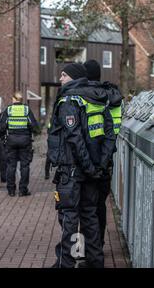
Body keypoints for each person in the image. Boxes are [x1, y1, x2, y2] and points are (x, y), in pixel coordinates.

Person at [48, 63, 113, 268]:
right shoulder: (98, 98)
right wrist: (99, 165)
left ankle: (65, 265)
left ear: (74, 77)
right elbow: (110, 135)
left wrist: (88, 166)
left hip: (73, 170)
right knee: (90, 218)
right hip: (93, 170)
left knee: (69, 218)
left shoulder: (69, 100)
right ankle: (95, 263)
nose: (60, 79)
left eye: (64, 75)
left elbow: (74, 138)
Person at [84, 59, 123, 247]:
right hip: (106, 160)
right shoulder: (112, 97)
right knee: (100, 205)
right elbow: (114, 131)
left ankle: (87, 248)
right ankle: (98, 243)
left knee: (86, 208)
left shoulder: (83, 96)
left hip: (86, 162)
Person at [1, 92, 39, 197]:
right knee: (25, 166)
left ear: (14, 99)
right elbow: (35, 126)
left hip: (11, 140)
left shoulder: (9, 110)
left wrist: (3, 136)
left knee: (11, 165)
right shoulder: (26, 110)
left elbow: (2, 126)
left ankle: (11, 190)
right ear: (21, 100)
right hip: (25, 141)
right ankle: (23, 190)